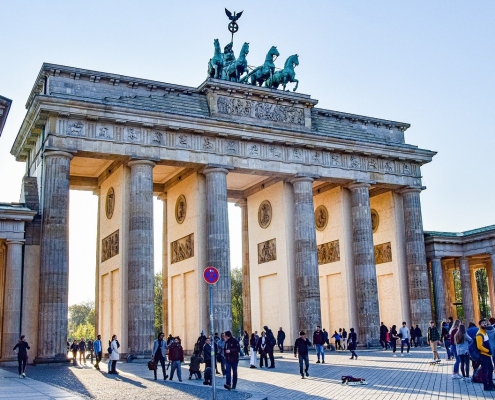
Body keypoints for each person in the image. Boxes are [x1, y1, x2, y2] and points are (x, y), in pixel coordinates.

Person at [476, 319, 495, 391]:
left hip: (487, 355)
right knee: (485, 370)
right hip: (483, 355)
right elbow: (479, 346)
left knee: (490, 369)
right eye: (483, 323)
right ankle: (486, 386)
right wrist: (488, 351)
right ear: (480, 325)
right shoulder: (479, 334)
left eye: (486, 323)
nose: (485, 324)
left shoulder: (484, 332)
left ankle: (490, 383)